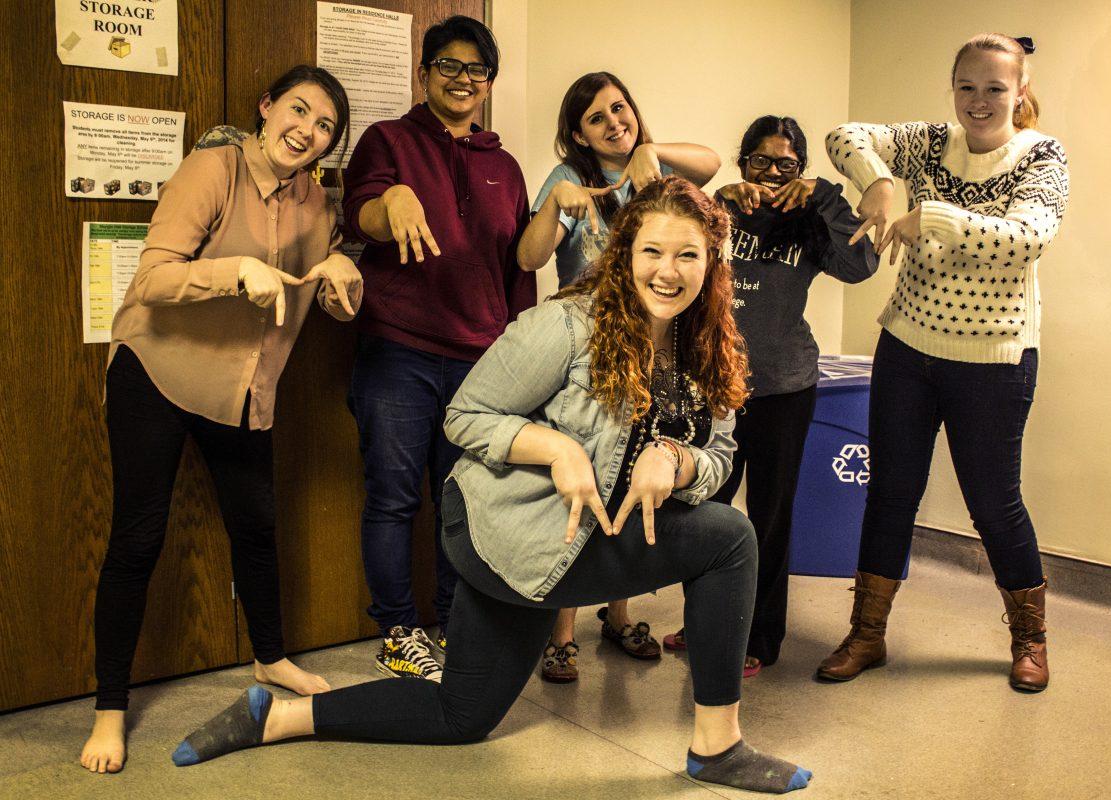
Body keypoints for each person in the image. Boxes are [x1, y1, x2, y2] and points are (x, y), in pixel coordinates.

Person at [171, 177, 813, 795]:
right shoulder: (568, 328)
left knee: (462, 715)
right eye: (651, 251)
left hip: (588, 537)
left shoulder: (709, 346)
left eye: (687, 255)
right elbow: (465, 415)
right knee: (730, 537)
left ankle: (272, 717)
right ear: (625, 253)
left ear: (712, 263)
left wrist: (675, 460)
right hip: (509, 529)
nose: (667, 271)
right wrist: (557, 447)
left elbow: (721, 454)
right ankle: (717, 748)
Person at [79, 65, 361, 774]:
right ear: (266, 108)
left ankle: (270, 661)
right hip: (161, 370)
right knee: (138, 539)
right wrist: (233, 270)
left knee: (257, 528)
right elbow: (150, 278)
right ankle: (109, 709)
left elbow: (318, 296)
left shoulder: (320, 204)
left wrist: (342, 284)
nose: (308, 130)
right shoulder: (214, 168)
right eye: (299, 110)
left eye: (325, 125)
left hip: (243, 389)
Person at [817, 34, 1069, 692]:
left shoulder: (1041, 155)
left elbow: (1029, 238)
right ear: (951, 88)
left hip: (993, 359)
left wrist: (934, 215)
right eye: (967, 87)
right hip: (906, 347)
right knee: (891, 495)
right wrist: (876, 181)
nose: (980, 101)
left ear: (1019, 91)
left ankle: (1031, 639)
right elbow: (842, 134)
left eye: (995, 88)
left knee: (995, 505)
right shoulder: (927, 141)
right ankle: (867, 634)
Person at [342, 15, 535, 683]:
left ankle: (456, 628)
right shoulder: (388, 140)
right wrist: (389, 198)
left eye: (476, 70)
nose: (462, 79)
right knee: (394, 496)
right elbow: (359, 211)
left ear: (488, 84)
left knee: (463, 499)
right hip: (398, 351)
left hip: (482, 361)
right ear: (422, 74)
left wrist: (518, 366)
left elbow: (520, 269)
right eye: (448, 66)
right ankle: (398, 632)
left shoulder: (505, 167)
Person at [517, 71, 721, 682]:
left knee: (635, 475)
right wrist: (557, 203)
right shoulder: (569, 180)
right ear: (576, 135)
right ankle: (561, 631)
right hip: (588, 355)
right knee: (584, 485)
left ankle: (618, 612)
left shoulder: (655, 172)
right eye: (596, 119)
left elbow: (710, 162)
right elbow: (528, 258)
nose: (613, 123)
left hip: (653, 348)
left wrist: (649, 155)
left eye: (619, 109)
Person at [661, 116, 878, 676]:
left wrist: (827, 196)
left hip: (785, 388)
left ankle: (760, 634)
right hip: (714, 387)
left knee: (769, 516)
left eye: (788, 166)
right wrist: (718, 198)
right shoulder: (718, 214)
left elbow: (862, 264)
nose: (774, 174)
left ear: (801, 174)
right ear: (744, 162)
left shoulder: (810, 219)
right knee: (704, 511)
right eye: (762, 161)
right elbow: (669, 241)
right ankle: (705, 620)